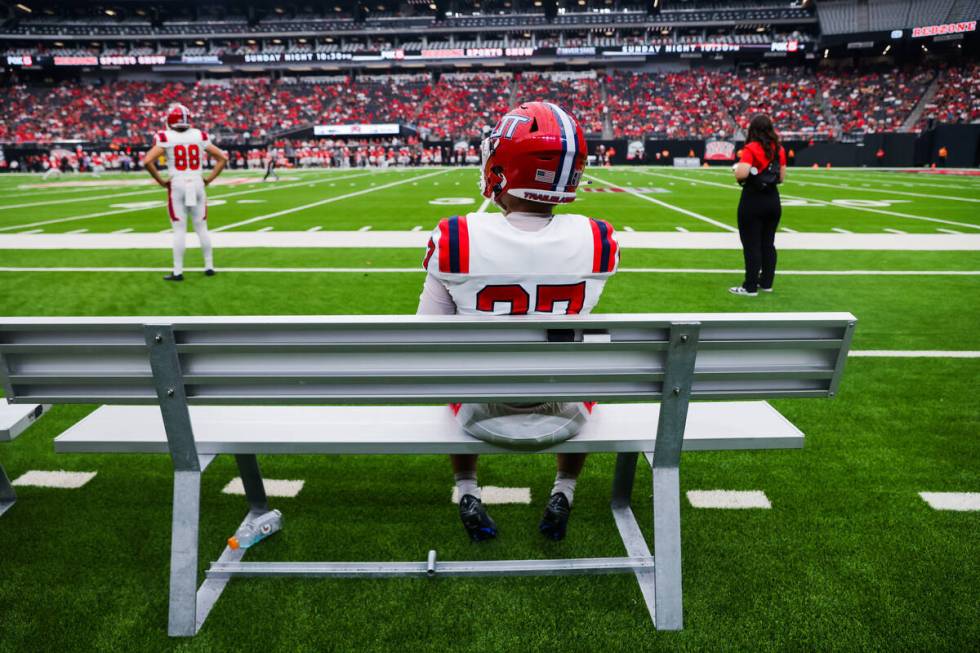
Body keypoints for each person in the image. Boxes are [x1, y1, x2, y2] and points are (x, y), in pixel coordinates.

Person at [417, 102, 620, 543]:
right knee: (585, 364)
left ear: (504, 167)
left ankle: (468, 489)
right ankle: (563, 490)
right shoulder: (598, 239)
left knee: (455, 366)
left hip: (479, 409)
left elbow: (427, 332)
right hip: (564, 409)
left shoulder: (457, 237)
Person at [142, 103, 228, 282]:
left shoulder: (165, 136)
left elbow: (147, 161)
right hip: (197, 182)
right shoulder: (199, 135)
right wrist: (209, 179)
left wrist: (160, 181)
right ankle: (209, 266)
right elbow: (223, 158)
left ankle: (178, 271)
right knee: (202, 227)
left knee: (179, 229)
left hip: (177, 183)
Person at [730, 113, 786, 296]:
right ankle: (767, 282)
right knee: (768, 244)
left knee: (751, 244)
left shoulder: (751, 147)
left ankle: (750, 286)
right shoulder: (779, 149)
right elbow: (781, 178)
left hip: (753, 199)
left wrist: (736, 169)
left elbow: (742, 174)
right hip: (773, 199)